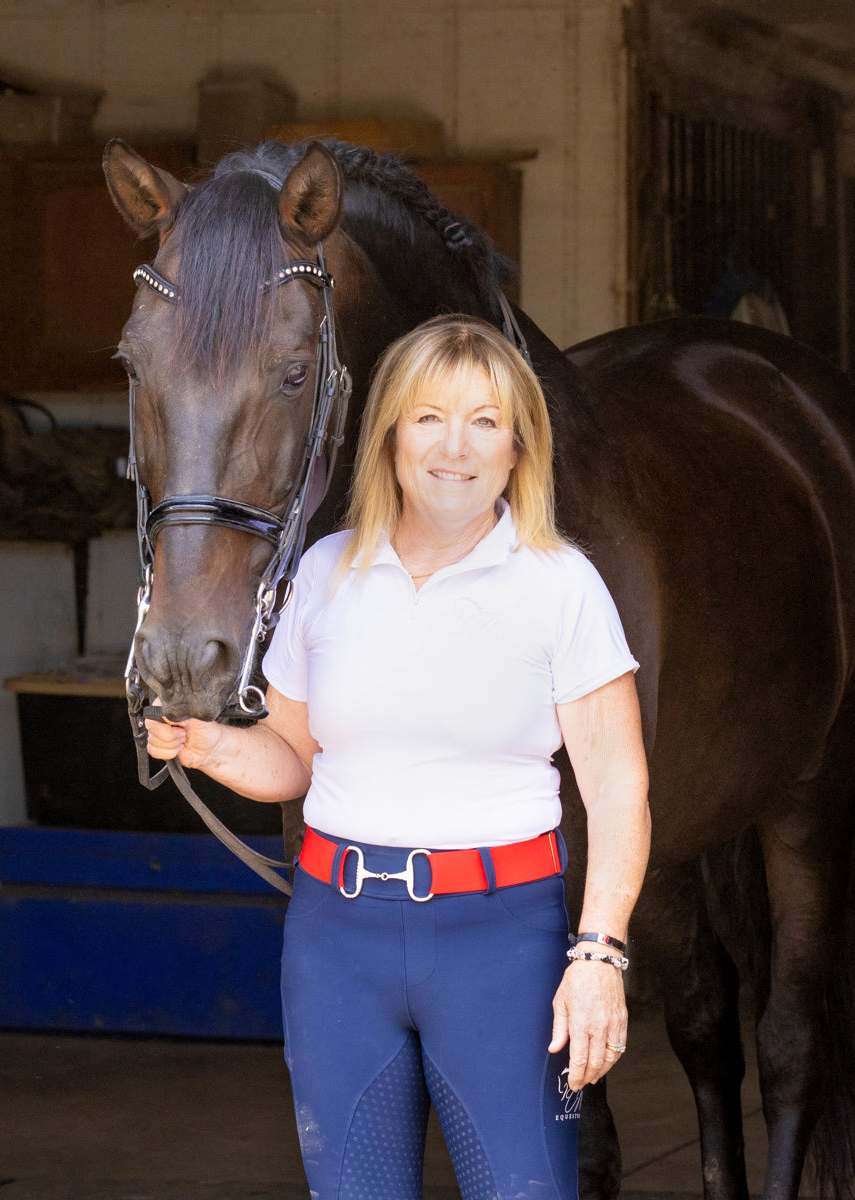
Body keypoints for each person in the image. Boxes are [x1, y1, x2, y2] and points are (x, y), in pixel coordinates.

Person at [147, 313, 651, 1200]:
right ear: (387, 434)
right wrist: (209, 746)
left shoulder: (557, 584)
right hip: (336, 941)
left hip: (502, 941)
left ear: (517, 448)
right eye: (428, 417)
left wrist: (598, 956)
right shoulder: (325, 572)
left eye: (485, 422)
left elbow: (616, 788)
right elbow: (293, 761)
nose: (454, 447)